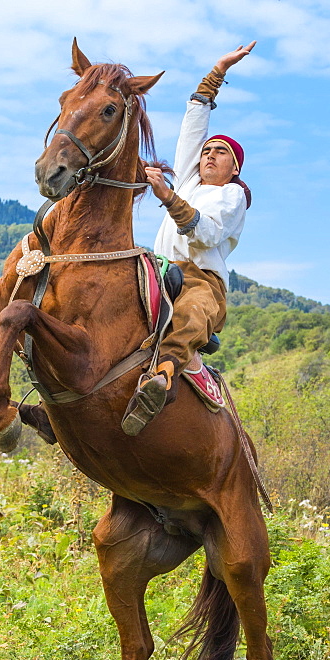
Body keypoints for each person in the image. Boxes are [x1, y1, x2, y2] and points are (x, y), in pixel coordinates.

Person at [121, 41, 256, 437]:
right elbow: (193, 122)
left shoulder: (233, 196)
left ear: (234, 169)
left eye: (221, 153)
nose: (209, 154)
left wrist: (167, 196)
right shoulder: (191, 178)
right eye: (207, 150)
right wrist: (217, 71)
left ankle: (161, 378)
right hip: (157, 269)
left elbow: (207, 234)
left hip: (201, 279)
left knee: (193, 312)